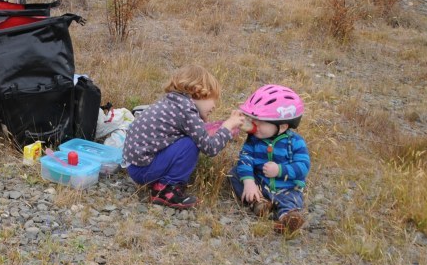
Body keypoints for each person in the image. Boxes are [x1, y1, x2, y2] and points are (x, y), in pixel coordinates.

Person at [121, 65, 245, 209]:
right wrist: (227, 127)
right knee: (191, 143)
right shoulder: (186, 110)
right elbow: (210, 148)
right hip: (143, 170)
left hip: (135, 166)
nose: (215, 106)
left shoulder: (173, 102)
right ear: (198, 92)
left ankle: (163, 183)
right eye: (213, 99)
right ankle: (166, 189)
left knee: (190, 139)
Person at [230, 85, 310, 235]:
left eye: (260, 121)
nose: (254, 124)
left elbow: (303, 167)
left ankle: (288, 219)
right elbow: (245, 160)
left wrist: (280, 170)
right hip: (260, 184)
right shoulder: (254, 140)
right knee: (234, 173)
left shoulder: (295, 142)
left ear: (282, 126)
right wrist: (249, 183)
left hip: (286, 188)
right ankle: (258, 202)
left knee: (290, 201)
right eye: (253, 119)